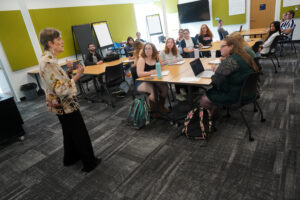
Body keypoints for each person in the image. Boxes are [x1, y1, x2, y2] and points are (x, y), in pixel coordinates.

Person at [39, 28, 101, 173]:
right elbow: (61, 90)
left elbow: (57, 82)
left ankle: (70, 158)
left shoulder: (48, 59)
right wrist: (78, 75)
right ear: (50, 43)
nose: (62, 42)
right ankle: (89, 163)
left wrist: (69, 71)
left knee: (69, 132)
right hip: (65, 104)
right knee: (79, 132)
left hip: (59, 105)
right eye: (58, 40)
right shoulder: (48, 62)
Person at [200, 34, 259, 115]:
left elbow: (215, 82)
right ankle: (213, 111)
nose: (220, 49)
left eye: (222, 46)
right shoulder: (243, 56)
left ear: (231, 46)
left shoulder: (230, 61)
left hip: (236, 95)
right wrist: (220, 70)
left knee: (204, 97)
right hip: (249, 92)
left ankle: (207, 119)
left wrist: (216, 72)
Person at [136, 43, 169, 113]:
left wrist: (161, 63)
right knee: (154, 92)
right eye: (146, 49)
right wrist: (151, 72)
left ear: (153, 50)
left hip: (154, 79)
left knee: (165, 88)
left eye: (149, 48)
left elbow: (160, 67)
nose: (147, 50)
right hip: (142, 81)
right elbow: (139, 74)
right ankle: (155, 112)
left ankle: (161, 106)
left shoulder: (156, 57)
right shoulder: (142, 59)